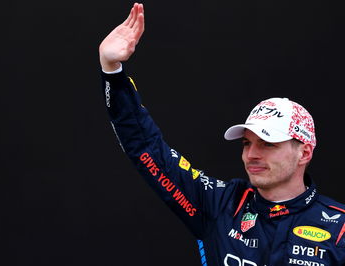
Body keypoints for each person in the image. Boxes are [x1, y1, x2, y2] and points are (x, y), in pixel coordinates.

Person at [99, 3, 345, 265]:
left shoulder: (339, 229)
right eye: (246, 143)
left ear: (304, 152)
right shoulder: (220, 204)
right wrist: (112, 70)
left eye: (267, 144)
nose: (251, 154)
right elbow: (146, 147)